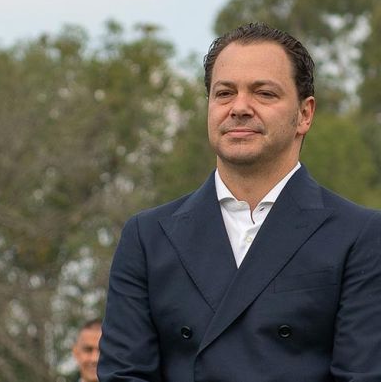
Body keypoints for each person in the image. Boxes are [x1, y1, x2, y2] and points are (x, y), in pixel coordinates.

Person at [98, 22, 381, 381]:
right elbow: (124, 375)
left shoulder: (361, 235)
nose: (239, 107)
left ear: (305, 114)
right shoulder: (148, 237)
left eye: (264, 93)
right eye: (224, 93)